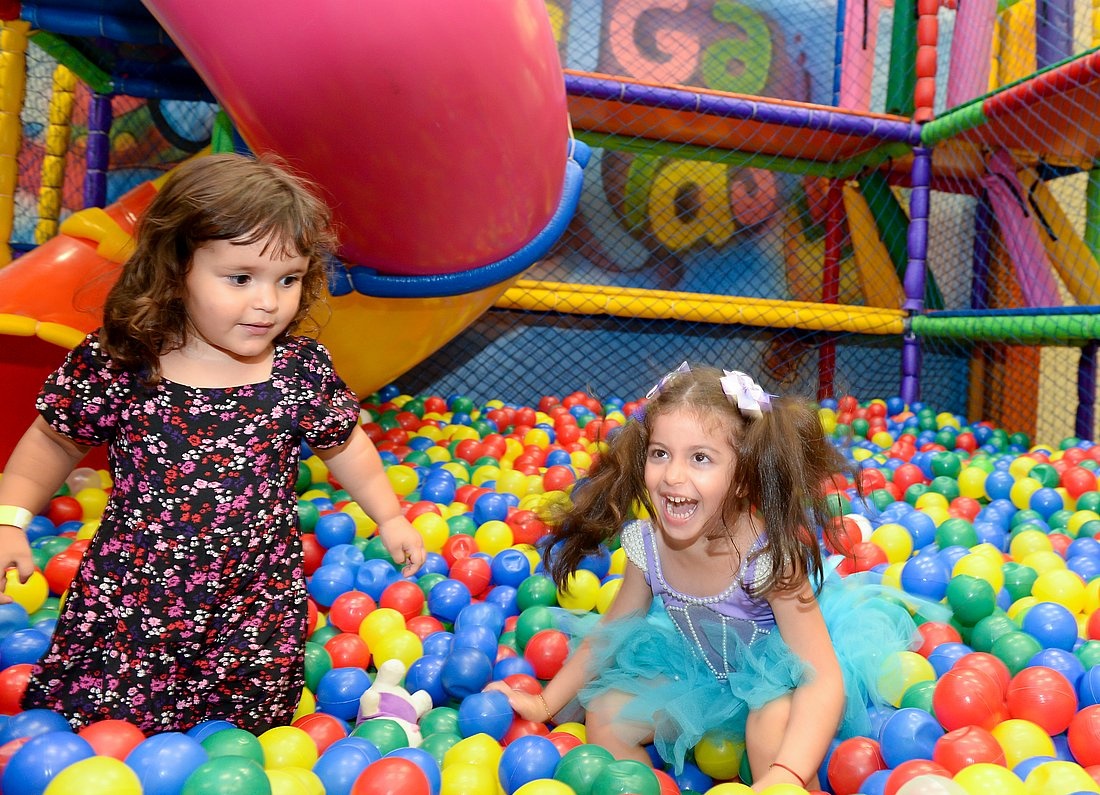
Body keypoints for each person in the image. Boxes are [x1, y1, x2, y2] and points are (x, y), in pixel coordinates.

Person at [0, 153, 425, 733]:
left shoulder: (297, 369)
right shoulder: (125, 360)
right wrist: (11, 519)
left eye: (288, 279)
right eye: (240, 278)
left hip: (252, 601)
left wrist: (390, 516)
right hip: (137, 598)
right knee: (110, 731)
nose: (268, 301)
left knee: (239, 736)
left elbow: (345, 446)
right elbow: (54, 442)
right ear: (176, 268)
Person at [486, 363, 918, 791]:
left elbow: (821, 677)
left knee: (769, 735)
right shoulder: (647, 546)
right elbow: (608, 633)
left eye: (700, 458)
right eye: (660, 453)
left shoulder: (767, 558)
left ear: (743, 478)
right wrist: (546, 702)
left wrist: (786, 775)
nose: (673, 476)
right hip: (699, 672)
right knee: (606, 716)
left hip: (780, 678)